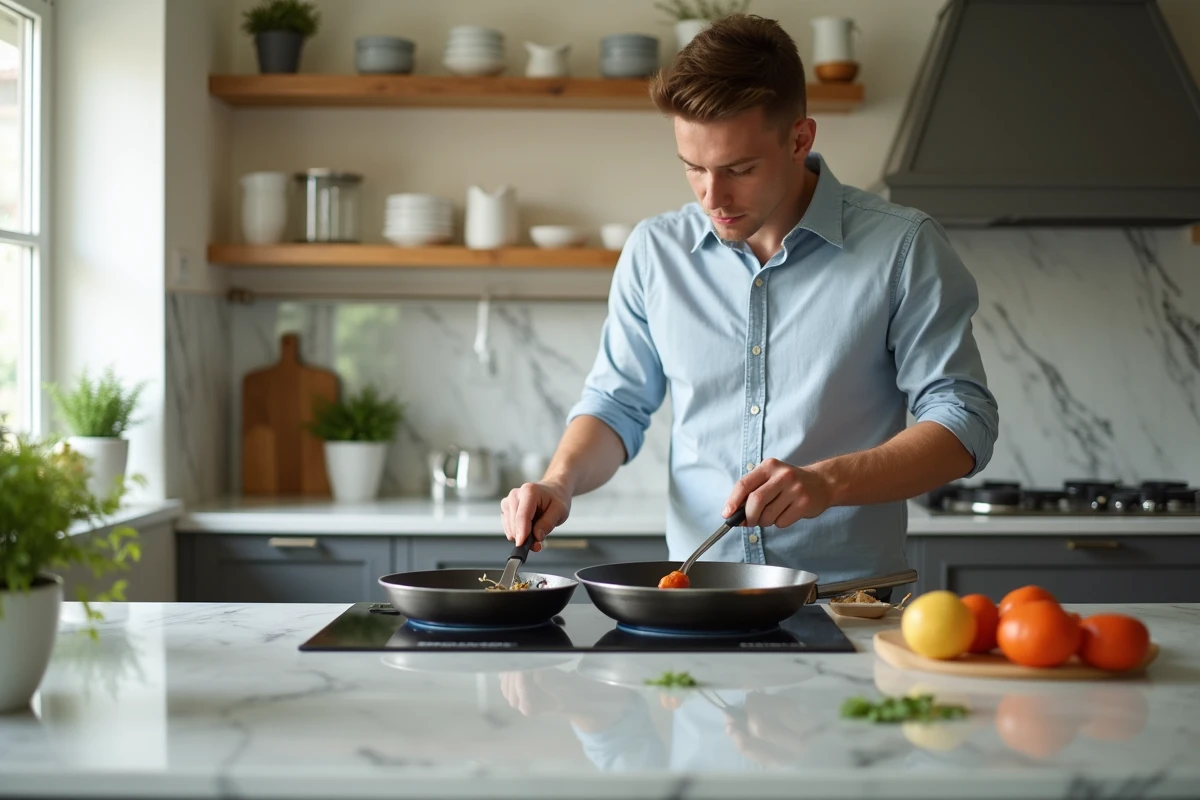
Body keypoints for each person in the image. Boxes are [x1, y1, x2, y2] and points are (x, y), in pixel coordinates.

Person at [500, 14, 999, 586]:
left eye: (739, 169)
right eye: (694, 168)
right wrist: (559, 482)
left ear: (800, 139)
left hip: (846, 600)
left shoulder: (903, 247)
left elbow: (964, 421)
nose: (713, 196)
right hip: (695, 594)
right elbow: (617, 405)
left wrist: (827, 482)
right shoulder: (655, 251)